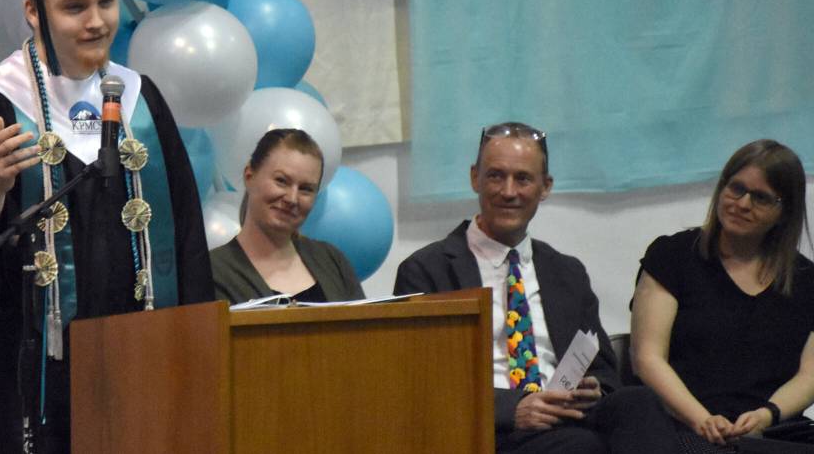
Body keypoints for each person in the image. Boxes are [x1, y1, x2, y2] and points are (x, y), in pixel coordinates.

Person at [0, 0, 213, 453]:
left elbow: (186, 238)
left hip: (140, 363)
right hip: (33, 380)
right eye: (75, 7)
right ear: (34, 12)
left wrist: (194, 355)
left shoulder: (140, 101)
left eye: (107, 2)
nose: (97, 21)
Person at [394, 122, 678, 453]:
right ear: (475, 178)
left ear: (545, 187)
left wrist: (594, 389)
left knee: (638, 403)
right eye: (496, 176)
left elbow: (603, 370)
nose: (508, 191)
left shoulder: (567, 272)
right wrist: (511, 408)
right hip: (490, 430)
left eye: (523, 179)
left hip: (568, 417)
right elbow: (420, 383)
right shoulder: (426, 271)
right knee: (581, 446)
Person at [631, 139, 814, 451]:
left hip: (773, 431)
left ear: (785, 211)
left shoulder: (807, 279)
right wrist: (702, 419)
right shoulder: (672, 255)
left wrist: (767, 415)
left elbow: (809, 376)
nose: (742, 204)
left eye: (761, 198)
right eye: (736, 188)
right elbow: (647, 359)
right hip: (682, 424)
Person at [211, 128, 365, 304]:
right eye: (281, 181)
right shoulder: (211, 273)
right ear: (249, 176)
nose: (292, 199)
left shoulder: (332, 262)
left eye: (305, 189)